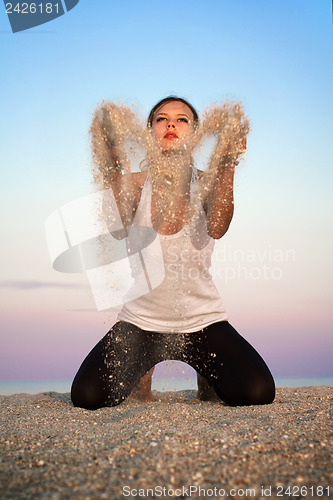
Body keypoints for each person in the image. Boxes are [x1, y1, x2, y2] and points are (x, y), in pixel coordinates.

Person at [71, 96, 275, 410]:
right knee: (87, 397)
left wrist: (228, 160)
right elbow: (115, 226)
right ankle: (145, 367)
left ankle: (205, 372)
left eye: (182, 120)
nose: (171, 124)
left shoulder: (208, 182)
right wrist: (111, 156)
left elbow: (219, 225)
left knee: (257, 392)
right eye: (161, 119)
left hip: (203, 323)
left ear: (195, 134)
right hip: (140, 323)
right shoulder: (136, 184)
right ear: (149, 131)